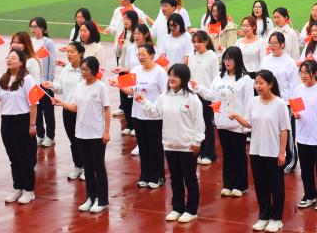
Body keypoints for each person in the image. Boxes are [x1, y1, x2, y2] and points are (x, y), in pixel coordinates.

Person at [138, 63, 204, 223]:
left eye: (175, 75)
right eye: (170, 75)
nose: (171, 78)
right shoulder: (164, 96)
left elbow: (199, 122)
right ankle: (177, 208)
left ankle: (191, 210)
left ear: (184, 78)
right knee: (175, 178)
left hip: (187, 145)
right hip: (169, 144)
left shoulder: (192, 98)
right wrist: (144, 101)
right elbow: (155, 113)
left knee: (189, 178)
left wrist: (197, 141)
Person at [228, 70, 291, 233]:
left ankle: (276, 218)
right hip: (256, 151)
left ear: (270, 84)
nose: (257, 86)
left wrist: (282, 152)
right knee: (261, 185)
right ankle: (264, 216)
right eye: (256, 83)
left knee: (276, 186)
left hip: (273, 152)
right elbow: (249, 124)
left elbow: (284, 130)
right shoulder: (253, 102)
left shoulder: (279, 104)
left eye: (261, 83)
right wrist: (237, 117)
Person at [0, 48, 38, 205]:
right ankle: (18, 187)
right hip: (7, 121)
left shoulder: (27, 79)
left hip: (23, 121)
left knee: (25, 158)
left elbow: (33, 104)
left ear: (21, 62)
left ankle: (29, 190)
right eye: (8, 57)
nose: (9, 60)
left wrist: (32, 125)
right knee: (13, 157)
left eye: (13, 58)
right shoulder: (3, 79)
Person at [52, 55, 110, 213]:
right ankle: (90, 197)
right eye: (82, 70)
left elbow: (106, 109)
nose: (83, 72)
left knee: (99, 168)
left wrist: (106, 131)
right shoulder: (79, 87)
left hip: (96, 134)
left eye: (86, 70)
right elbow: (75, 107)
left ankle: (102, 200)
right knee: (88, 169)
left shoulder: (100, 87)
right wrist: (61, 103)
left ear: (94, 70)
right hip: (81, 133)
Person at [193, 47, 253, 197]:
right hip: (222, 122)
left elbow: (249, 102)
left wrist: (246, 124)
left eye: (230, 59)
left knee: (238, 155)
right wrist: (198, 87)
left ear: (237, 60)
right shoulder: (219, 77)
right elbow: (211, 95)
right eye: (225, 59)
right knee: (227, 155)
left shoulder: (245, 79)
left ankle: (240, 185)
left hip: (238, 124)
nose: (227, 62)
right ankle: (228, 183)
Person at [119, 43, 167, 189]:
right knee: (143, 146)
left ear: (152, 55)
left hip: (154, 115)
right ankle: (145, 175)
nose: (140, 57)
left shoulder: (160, 72)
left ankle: (158, 176)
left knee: (155, 146)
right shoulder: (135, 70)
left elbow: (164, 94)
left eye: (143, 55)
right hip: (138, 114)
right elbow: (131, 91)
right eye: (138, 55)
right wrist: (119, 85)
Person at [293, 60, 317, 210]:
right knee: (306, 169)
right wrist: (295, 114)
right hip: (303, 136)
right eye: (301, 72)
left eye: (306, 72)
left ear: (315, 73)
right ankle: (309, 195)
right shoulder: (298, 89)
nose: (303, 75)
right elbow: (296, 109)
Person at [46, 42, 88, 180]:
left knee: (84, 140)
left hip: (84, 111)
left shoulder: (85, 70)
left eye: (72, 51)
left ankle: (87, 167)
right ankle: (78, 166)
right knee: (73, 140)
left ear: (80, 53)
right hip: (68, 109)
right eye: (68, 51)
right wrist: (51, 85)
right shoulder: (66, 69)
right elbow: (60, 88)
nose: (69, 54)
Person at [188, 32, 219, 165]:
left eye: (199, 42)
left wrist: (212, 95)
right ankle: (199, 152)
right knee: (195, 124)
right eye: (194, 42)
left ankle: (209, 154)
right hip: (193, 94)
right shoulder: (192, 55)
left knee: (206, 124)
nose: (196, 45)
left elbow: (215, 77)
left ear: (206, 42)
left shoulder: (212, 56)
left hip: (206, 95)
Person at [29, 17, 57, 147]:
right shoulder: (30, 42)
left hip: (45, 83)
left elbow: (52, 62)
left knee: (48, 111)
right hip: (34, 83)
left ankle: (50, 136)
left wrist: (49, 81)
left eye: (35, 26)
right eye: (31, 26)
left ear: (43, 28)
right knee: (37, 110)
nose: (33, 29)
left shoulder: (48, 42)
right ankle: (40, 135)